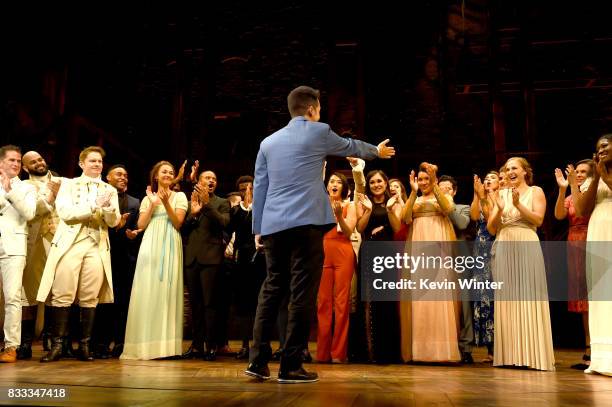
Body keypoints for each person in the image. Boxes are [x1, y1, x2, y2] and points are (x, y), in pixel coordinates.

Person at [246, 85, 395, 383]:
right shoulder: (319, 130)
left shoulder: (268, 143)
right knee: (302, 293)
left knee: (272, 289)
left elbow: (260, 186)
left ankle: (258, 361)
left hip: (273, 224)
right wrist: (375, 152)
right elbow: (351, 146)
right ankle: (290, 365)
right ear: (313, 109)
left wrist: (258, 228)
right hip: (307, 224)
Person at [37, 146, 120, 363]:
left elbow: (114, 221)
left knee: (89, 296)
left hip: (96, 246)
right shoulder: (68, 184)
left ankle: (84, 345)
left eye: (100, 162)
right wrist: (94, 205)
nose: (97, 165)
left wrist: (109, 209)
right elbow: (66, 214)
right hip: (70, 244)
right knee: (63, 293)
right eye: (92, 161)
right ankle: (57, 345)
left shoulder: (109, 189)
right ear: (82, 164)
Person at [487, 157, 555, 371]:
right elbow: (491, 229)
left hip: (526, 242)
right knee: (507, 299)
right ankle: (510, 354)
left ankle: (533, 355)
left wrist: (517, 205)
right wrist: (499, 209)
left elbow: (538, 220)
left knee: (528, 296)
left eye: (514, 168)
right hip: (504, 243)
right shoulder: (500, 194)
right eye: (507, 169)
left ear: (525, 171)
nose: (509, 172)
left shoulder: (536, 192)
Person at [120, 161, 187, 360]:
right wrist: (153, 204)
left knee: (167, 289)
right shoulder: (147, 198)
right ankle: (144, 345)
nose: (168, 174)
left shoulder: (180, 196)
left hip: (170, 241)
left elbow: (177, 223)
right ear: (156, 176)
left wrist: (166, 202)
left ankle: (166, 347)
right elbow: (141, 224)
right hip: (150, 243)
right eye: (164, 172)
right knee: (147, 289)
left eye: (171, 172)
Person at [400, 163, 461, 363]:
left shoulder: (443, 195)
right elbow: (405, 218)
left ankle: (442, 351)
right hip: (418, 243)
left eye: (427, 178)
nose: (424, 182)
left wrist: (435, 184)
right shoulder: (416, 198)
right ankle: (421, 351)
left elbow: (448, 208)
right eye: (421, 179)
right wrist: (412, 192)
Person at [92, 164, 142, 358]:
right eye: (119, 174)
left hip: (125, 257)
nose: (123, 177)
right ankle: (100, 343)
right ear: (108, 178)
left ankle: (121, 342)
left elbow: (139, 228)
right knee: (101, 301)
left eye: (126, 175)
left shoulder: (134, 202)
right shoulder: (99, 195)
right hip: (102, 253)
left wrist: (132, 233)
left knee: (122, 301)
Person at [573, 134, 612, 376]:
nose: (602, 149)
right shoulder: (594, 178)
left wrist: (606, 175)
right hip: (599, 229)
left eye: (606, 144)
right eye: (598, 147)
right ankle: (603, 357)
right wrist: (596, 176)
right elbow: (582, 210)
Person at [16, 151, 62, 360]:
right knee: (29, 292)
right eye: (33, 162)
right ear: (25, 168)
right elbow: (32, 211)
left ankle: (55, 341)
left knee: (58, 291)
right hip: (34, 243)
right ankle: (25, 343)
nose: (38, 163)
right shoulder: (23, 186)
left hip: (59, 241)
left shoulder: (64, 182)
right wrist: (51, 196)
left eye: (40, 159)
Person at [356, 170, 401, 363]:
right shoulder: (364, 202)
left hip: (388, 254)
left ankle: (389, 352)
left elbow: (397, 228)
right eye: (372, 182)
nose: (376, 185)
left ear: (386, 182)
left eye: (379, 181)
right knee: (369, 302)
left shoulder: (394, 202)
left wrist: (390, 210)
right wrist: (367, 211)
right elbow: (359, 228)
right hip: (369, 252)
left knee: (387, 302)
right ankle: (370, 353)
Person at [554, 159, 594, 369]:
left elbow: (581, 211)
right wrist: (563, 190)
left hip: (592, 239)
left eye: (583, 172)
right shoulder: (571, 195)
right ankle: (588, 346)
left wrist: (572, 186)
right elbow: (559, 214)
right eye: (576, 171)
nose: (578, 175)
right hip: (574, 242)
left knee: (595, 296)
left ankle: (598, 346)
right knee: (583, 301)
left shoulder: (592, 193)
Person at [0, 145, 36, 363]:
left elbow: (29, 213)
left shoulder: (25, 188)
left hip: (13, 247)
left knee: (12, 297)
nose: (16, 164)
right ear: (1, 162)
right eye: (11, 160)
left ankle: (11, 345)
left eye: (18, 161)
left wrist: (10, 191)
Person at [316, 172, 356, 363]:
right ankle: (323, 353)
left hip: (343, 252)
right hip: (323, 251)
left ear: (344, 187)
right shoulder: (320, 204)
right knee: (323, 303)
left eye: (338, 182)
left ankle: (338, 353)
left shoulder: (351, 205)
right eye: (331, 181)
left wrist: (339, 216)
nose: (334, 184)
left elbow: (348, 232)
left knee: (341, 303)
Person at [469, 171, 500, 362]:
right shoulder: (481, 198)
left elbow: (491, 222)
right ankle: (490, 348)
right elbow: (474, 216)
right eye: (486, 178)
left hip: (494, 244)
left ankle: (501, 345)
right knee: (484, 297)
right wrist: (476, 194)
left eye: (492, 178)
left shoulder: (502, 198)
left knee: (496, 296)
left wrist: (484, 197)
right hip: (480, 248)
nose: (488, 180)